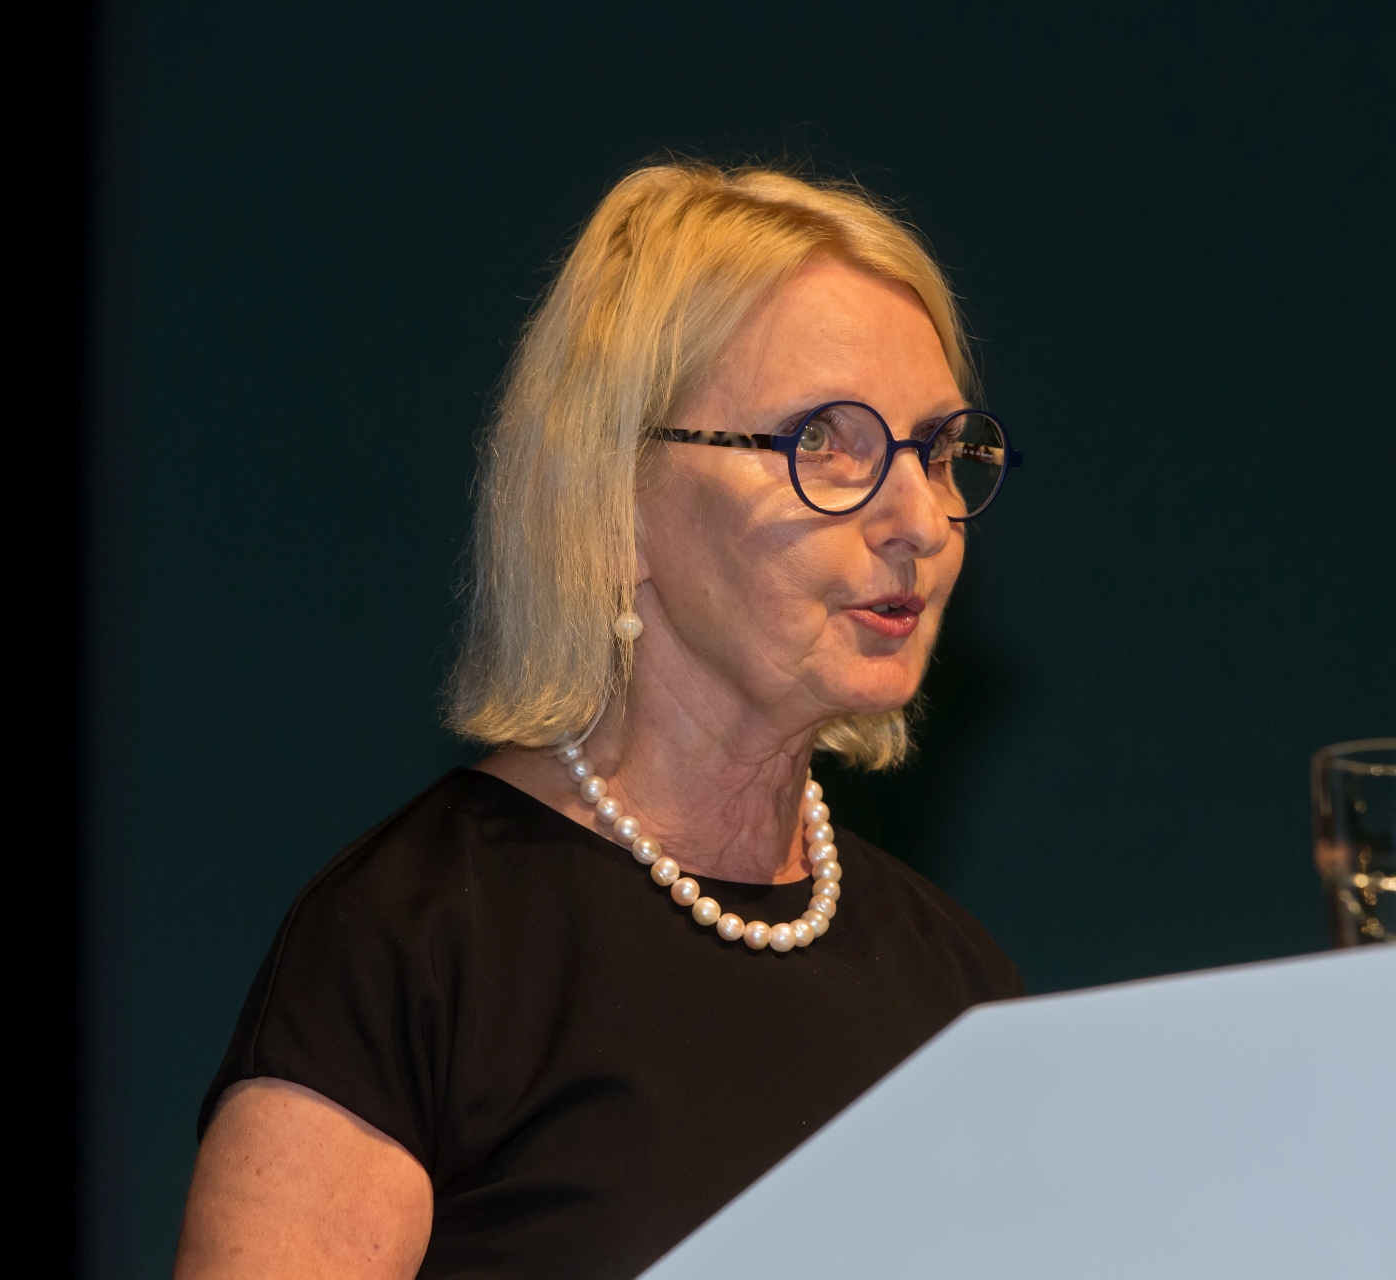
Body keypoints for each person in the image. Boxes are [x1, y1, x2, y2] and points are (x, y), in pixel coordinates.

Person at [173, 162, 1025, 1280]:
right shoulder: (417, 945)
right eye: (825, 438)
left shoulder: (961, 990)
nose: (920, 516)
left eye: (940, 448)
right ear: (616, 501)